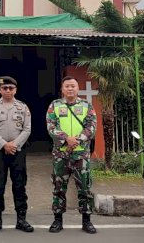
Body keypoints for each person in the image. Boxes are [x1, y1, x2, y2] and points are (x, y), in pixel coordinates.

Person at [46, 76, 97, 234]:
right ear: (62, 89)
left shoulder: (86, 106)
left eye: (73, 86)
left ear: (77, 88)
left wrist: (77, 140)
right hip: (61, 155)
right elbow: (50, 125)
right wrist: (66, 139)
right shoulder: (55, 105)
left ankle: (86, 221)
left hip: (81, 155)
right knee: (59, 188)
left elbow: (92, 126)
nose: (70, 89)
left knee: (84, 187)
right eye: (67, 86)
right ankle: (57, 220)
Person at [0, 76, 34, 233]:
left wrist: (14, 144)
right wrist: (4, 144)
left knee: (19, 185)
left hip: (18, 151)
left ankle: (21, 219)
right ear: (0, 90)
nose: (7, 90)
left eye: (10, 88)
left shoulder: (23, 107)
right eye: (4, 88)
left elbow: (27, 129)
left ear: (15, 90)